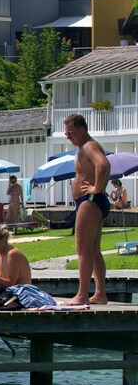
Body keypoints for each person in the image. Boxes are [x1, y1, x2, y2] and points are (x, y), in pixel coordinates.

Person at [63, 114, 111, 305]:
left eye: (70, 133)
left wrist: (96, 189)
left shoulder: (89, 146)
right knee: (93, 250)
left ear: (81, 130)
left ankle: (82, 295)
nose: (67, 137)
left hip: (90, 200)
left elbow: (103, 164)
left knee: (82, 248)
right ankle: (100, 294)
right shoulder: (82, 148)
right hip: (92, 201)